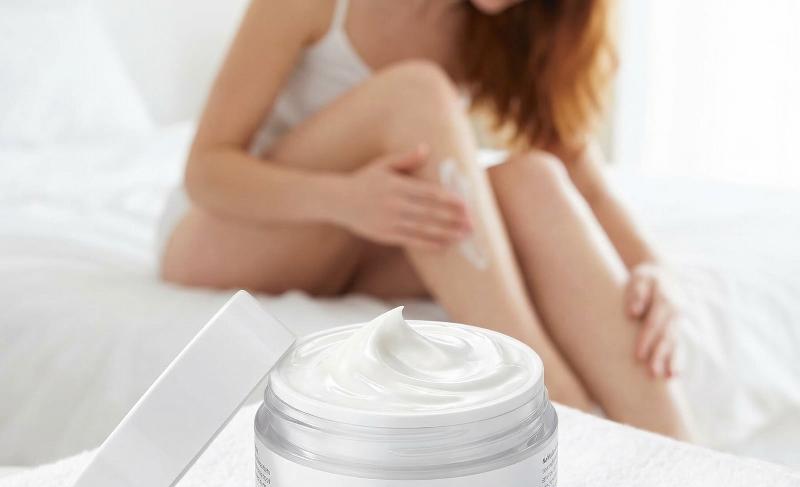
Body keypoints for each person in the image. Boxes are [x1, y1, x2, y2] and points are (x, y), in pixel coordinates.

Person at [159, 0, 691, 438]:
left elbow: (585, 182)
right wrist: (346, 200)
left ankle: (690, 471)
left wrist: (655, 270)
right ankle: (557, 414)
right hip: (230, 232)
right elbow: (207, 170)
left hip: (370, 238)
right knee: (416, 94)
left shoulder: (502, 23)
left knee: (535, 179)